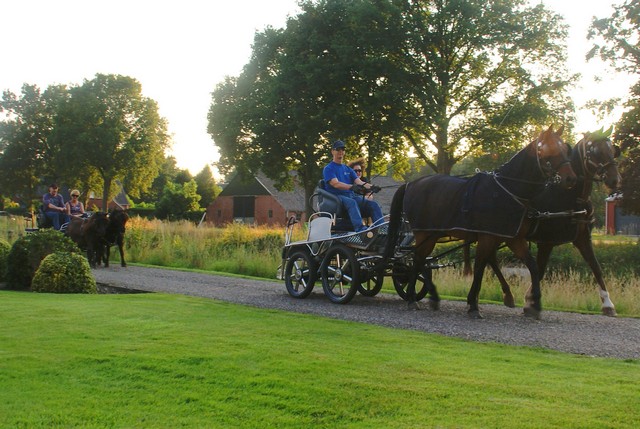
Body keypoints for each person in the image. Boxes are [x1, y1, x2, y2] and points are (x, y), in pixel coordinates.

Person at [323, 140, 382, 232]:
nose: (341, 152)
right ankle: (361, 229)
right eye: (338, 149)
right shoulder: (328, 168)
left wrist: (371, 187)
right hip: (337, 197)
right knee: (352, 202)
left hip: (350, 196)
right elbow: (336, 184)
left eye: (342, 149)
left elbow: (359, 182)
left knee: (373, 204)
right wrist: (351, 187)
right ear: (332, 151)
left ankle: (381, 228)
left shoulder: (348, 169)